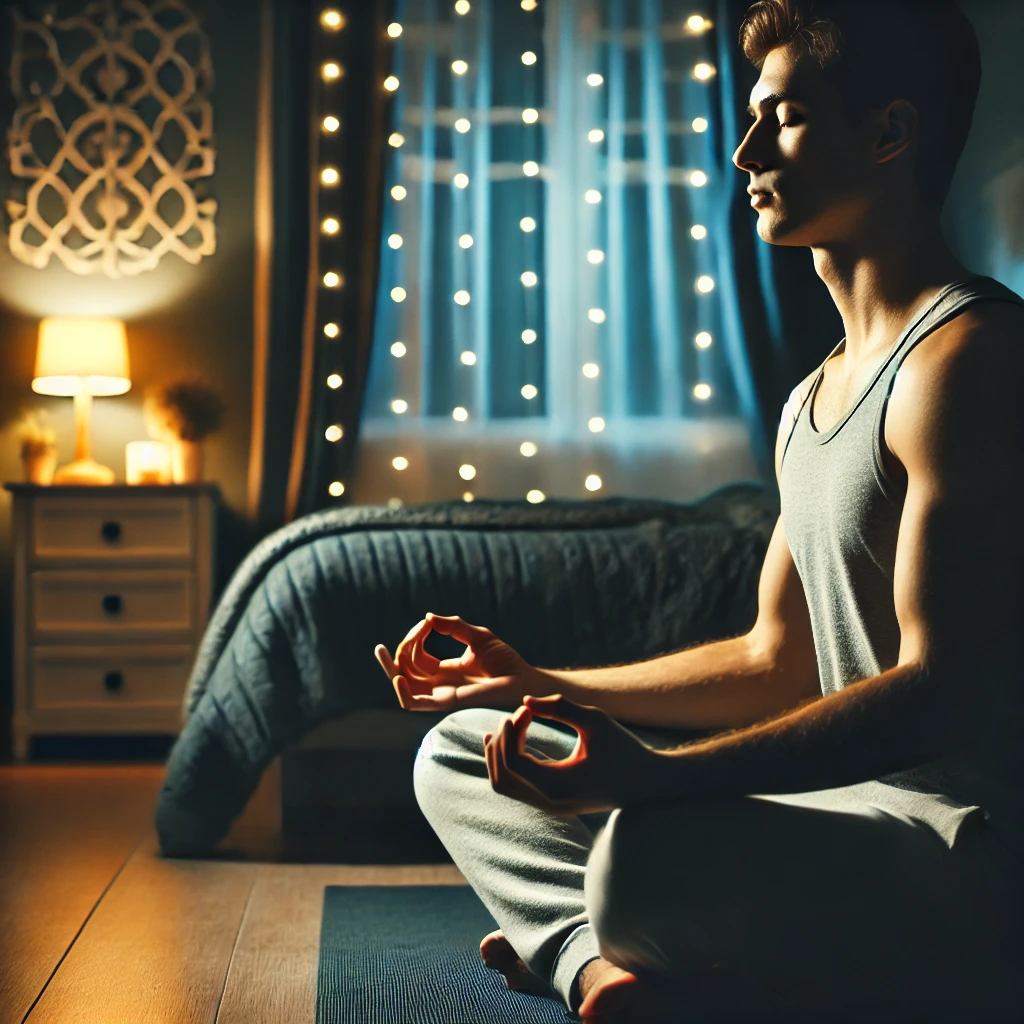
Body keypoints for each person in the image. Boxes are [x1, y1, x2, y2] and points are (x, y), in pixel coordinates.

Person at [374, 1, 1024, 1020]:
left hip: (963, 850)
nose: (742, 148)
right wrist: (534, 678)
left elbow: (939, 689)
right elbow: (774, 658)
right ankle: (607, 970)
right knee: (464, 749)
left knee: (643, 846)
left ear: (890, 134)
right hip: (836, 820)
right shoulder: (810, 395)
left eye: (787, 115)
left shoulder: (968, 359)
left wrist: (663, 779)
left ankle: (603, 943)